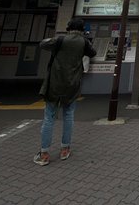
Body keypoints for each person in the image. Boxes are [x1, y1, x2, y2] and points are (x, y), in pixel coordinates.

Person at [34, 17, 96, 166]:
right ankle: (65, 149)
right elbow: (92, 53)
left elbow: (43, 44)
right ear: (82, 29)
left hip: (55, 82)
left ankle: (44, 154)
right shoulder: (84, 42)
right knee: (68, 115)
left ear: (68, 28)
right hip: (72, 83)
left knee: (49, 117)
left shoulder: (61, 40)